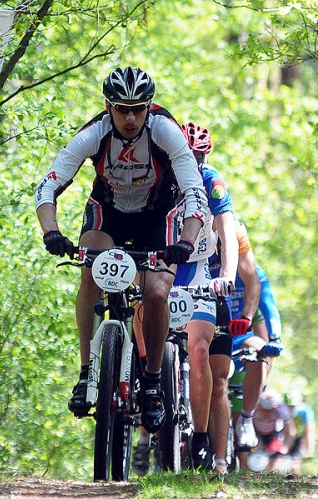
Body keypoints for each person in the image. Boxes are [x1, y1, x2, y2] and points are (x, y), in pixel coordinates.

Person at [35, 67, 207, 434]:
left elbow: (194, 193)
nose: (130, 118)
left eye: (138, 109)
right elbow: (48, 186)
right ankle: (87, 372)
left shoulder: (164, 131)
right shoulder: (94, 133)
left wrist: (186, 243)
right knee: (89, 267)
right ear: (108, 107)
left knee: (157, 292)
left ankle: (152, 383)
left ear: (148, 108)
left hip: (157, 214)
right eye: (121, 109)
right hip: (108, 213)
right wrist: (52, 233)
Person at [132, 121, 237, 473]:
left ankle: (202, 438)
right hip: (161, 265)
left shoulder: (211, 180)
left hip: (197, 270)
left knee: (199, 348)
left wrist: (227, 275)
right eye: (185, 155)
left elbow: (227, 228)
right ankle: (145, 404)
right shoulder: (159, 174)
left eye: (198, 156)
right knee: (139, 311)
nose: (190, 162)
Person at [208, 221, 283, 470]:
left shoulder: (253, 273)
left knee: (260, 350)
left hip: (239, 335)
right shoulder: (203, 264)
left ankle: (247, 419)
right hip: (211, 333)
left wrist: (274, 339)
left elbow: (270, 307)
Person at [250, 386, 295, 471]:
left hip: (273, 435)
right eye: (264, 409)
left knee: (275, 458)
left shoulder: (282, 410)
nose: (267, 413)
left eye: (270, 410)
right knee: (253, 456)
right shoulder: (253, 408)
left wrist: (284, 449)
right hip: (255, 433)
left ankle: (270, 478)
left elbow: (290, 432)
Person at [285, 390, 316, 474]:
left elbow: (309, 430)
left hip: (298, 438)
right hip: (284, 436)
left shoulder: (305, 411)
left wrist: (310, 448)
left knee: (295, 463)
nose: (291, 408)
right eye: (289, 406)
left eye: (293, 406)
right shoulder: (281, 407)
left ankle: (297, 483)